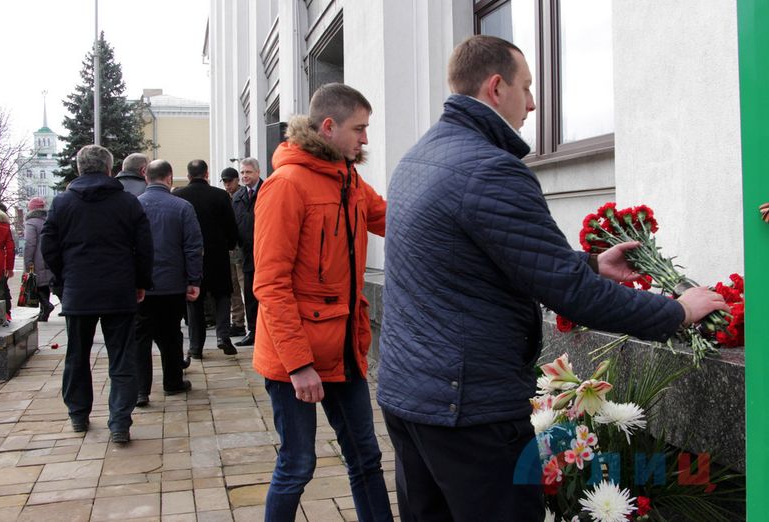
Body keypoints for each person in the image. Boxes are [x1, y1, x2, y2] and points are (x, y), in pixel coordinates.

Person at [376, 35, 731, 521]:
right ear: (496, 87)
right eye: (527, 87)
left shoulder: (419, 158)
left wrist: (593, 263)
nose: (533, 102)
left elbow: (479, 259)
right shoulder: (489, 169)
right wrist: (678, 311)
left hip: (410, 396)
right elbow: (573, 295)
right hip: (469, 411)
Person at [253, 83, 392, 522]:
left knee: (366, 458)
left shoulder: (349, 179)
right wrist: (299, 365)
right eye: (359, 129)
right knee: (297, 465)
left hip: (344, 349)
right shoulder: (285, 186)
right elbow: (270, 284)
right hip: (294, 358)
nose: (365, 139)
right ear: (329, 127)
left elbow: (391, 218)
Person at [41, 144, 153, 444]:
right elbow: (144, 247)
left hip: (79, 290)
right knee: (122, 358)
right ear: (108, 168)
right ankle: (120, 422)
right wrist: (140, 281)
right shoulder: (128, 203)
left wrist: (63, 279)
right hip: (119, 289)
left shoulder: (62, 203)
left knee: (77, 355)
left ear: (79, 168)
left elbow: (48, 246)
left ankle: (78, 414)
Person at [134, 160, 202, 407]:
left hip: (142, 285)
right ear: (170, 178)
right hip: (172, 283)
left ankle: (141, 390)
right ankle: (172, 381)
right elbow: (193, 247)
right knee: (171, 333)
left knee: (140, 337)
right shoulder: (182, 207)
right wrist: (194, 280)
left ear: (146, 177)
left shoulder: (134, 206)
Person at [174, 159, 239, 358]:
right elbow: (231, 226)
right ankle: (223, 336)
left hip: (191, 257)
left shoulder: (179, 196)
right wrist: (229, 245)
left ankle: (195, 346)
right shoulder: (220, 195)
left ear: (188, 176)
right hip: (218, 254)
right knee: (222, 296)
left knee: (195, 301)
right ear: (207, 174)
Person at [232, 157, 262, 347]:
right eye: (242, 172)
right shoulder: (238, 196)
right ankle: (254, 331)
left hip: (266, 250)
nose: (244, 176)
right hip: (247, 252)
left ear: (258, 172)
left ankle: (267, 331)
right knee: (250, 293)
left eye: (248, 172)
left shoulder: (267, 191)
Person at [220, 167, 247, 338]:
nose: (227, 184)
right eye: (225, 181)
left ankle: (248, 322)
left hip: (241, 248)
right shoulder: (225, 198)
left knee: (244, 286)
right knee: (233, 288)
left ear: (237, 180)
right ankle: (238, 322)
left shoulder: (244, 196)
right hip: (230, 249)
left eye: (229, 181)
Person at [23, 197, 54, 321]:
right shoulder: (49, 220)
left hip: (36, 258)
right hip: (48, 256)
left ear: (31, 209)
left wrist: (28, 261)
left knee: (35, 283)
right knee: (44, 284)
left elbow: (29, 243)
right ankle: (43, 313)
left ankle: (46, 305)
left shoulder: (31, 222)